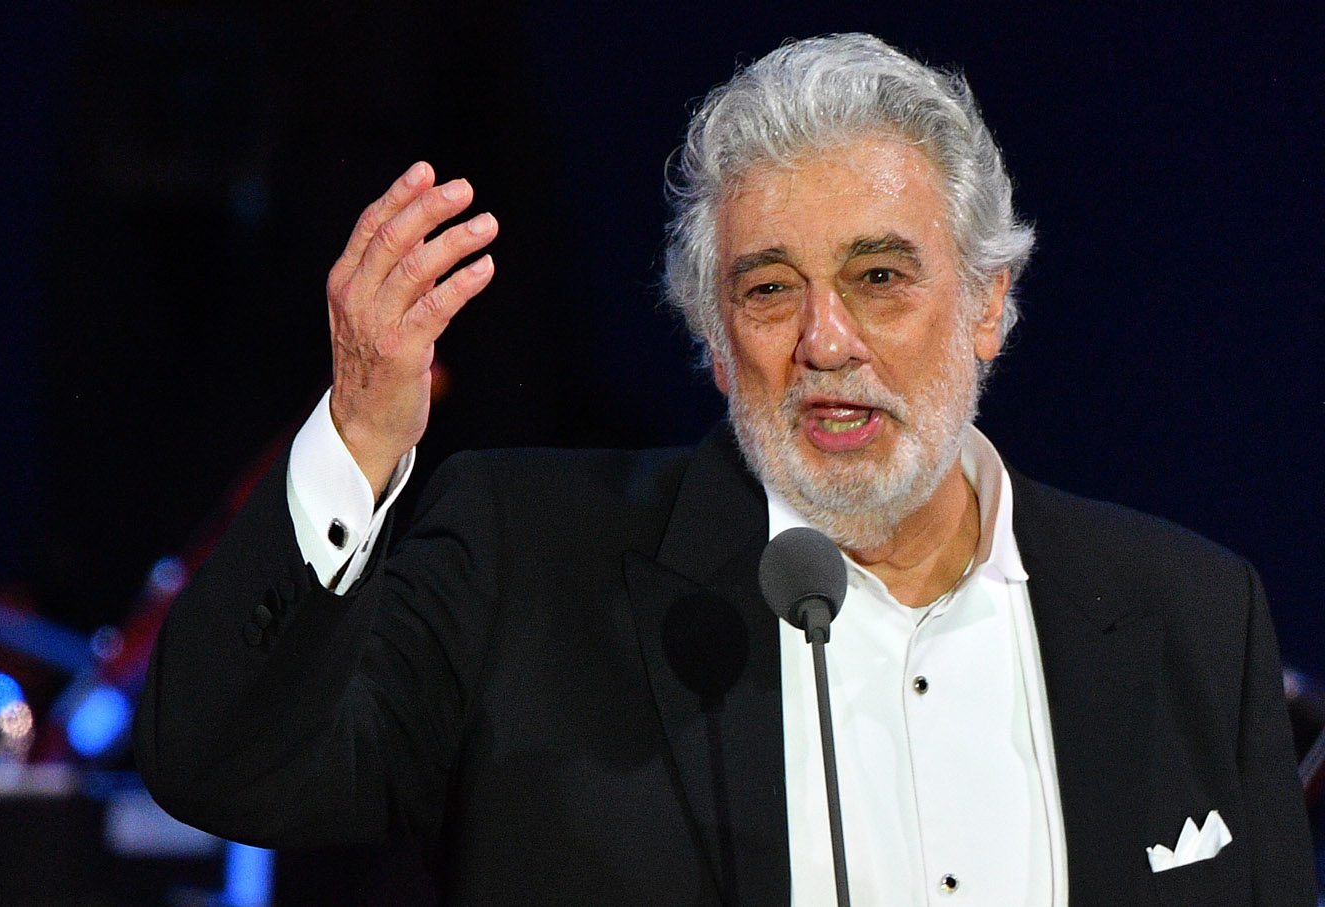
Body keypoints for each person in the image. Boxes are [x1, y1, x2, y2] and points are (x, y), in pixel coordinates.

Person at [135, 33, 1314, 906]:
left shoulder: (1192, 615)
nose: (824, 339)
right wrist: (356, 437)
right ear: (710, 342)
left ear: (990, 303)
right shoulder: (525, 568)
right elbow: (227, 769)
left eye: (879, 277)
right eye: (766, 289)